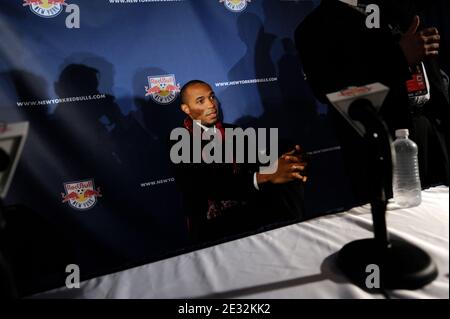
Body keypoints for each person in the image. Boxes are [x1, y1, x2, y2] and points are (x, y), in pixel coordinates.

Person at [295, 0, 448, 204]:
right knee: (398, 223)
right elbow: (329, 89)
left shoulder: (393, 9)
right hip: (380, 145)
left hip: (430, 129)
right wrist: (399, 57)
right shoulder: (313, 27)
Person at [172, 80, 308, 243]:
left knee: (288, 159)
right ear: (186, 109)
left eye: (212, 97)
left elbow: (254, 162)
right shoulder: (179, 140)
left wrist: (288, 158)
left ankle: (294, 232)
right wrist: (265, 175)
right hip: (214, 223)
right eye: (201, 101)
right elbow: (207, 185)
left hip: (249, 207)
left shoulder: (234, 131)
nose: (211, 104)